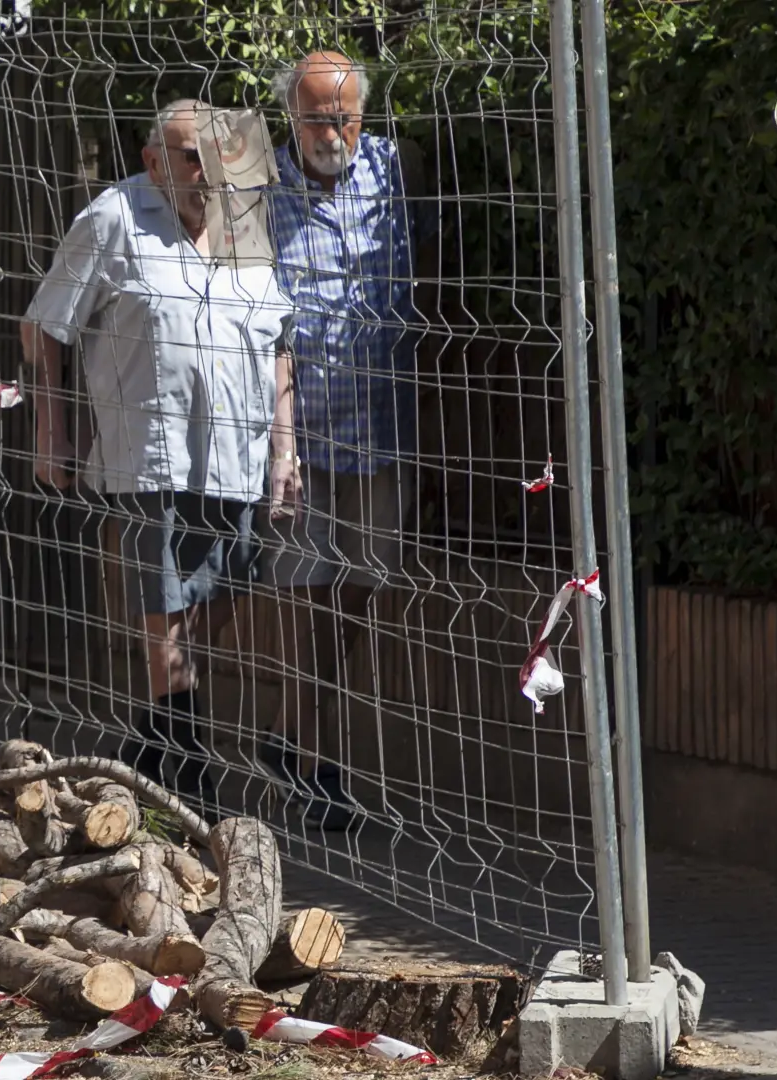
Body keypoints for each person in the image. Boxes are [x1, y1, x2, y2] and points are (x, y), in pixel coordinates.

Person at [19, 98, 301, 804]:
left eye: (220, 155)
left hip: (236, 451)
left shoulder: (244, 223)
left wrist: (283, 452)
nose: (210, 172)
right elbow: (45, 326)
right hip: (151, 446)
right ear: (153, 162)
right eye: (191, 157)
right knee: (166, 599)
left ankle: (147, 743)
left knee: (222, 594)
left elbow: (279, 342)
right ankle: (189, 764)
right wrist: (51, 429)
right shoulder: (113, 217)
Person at [259, 52, 431, 829]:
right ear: (290, 119)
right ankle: (316, 770)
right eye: (317, 117)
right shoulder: (261, 189)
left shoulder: (391, 169)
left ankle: (289, 731)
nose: (334, 132)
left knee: (365, 584)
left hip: (380, 424)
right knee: (303, 595)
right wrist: (276, 442)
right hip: (298, 432)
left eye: (346, 116)